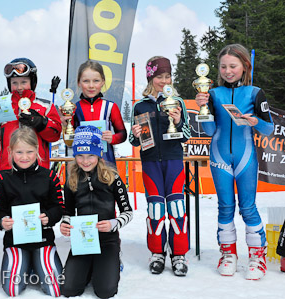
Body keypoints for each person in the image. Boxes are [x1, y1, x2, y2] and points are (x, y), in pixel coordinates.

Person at [194, 44, 274, 280]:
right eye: (223, 66)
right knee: (225, 207)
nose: (228, 71)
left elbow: (268, 129)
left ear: (244, 66)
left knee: (248, 207)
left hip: (245, 156)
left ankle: (257, 257)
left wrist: (254, 122)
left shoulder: (255, 92)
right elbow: (209, 130)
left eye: (233, 66)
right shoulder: (213, 94)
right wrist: (202, 106)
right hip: (219, 156)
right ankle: (228, 254)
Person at [129, 56, 191, 276]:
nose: (164, 81)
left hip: (174, 161)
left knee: (176, 207)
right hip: (150, 163)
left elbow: (186, 136)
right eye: (159, 77)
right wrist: (136, 135)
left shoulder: (178, 102)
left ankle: (179, 254)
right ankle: (157, 253)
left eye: (167, 76)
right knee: (155, 208)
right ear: (150, 78)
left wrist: (180, 120)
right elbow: (133, 140)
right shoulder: (140, 105)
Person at [60, 125, 133, 298]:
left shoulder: (112, 177)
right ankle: (90, 266)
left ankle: (111, 260)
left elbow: (128, 212)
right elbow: (68, 211)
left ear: (99, 154)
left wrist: (113, 224)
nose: (85, 161)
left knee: (105, 291)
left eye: (91, 155)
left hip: (107, 241)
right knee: (69, 289)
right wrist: (65, 223)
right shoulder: (71, 180)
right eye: (80, 156)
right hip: (82, 241)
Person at [0, 126, 63, 297]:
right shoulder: (2, 180)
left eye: (29, 152)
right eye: (19, 152)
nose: (24, 157)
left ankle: (36, 264)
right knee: (12, 289)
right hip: (16, 242)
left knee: (55, 288)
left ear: (37, 150)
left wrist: (49, 217)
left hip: (43, 240)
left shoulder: (50, 177)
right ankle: (27, 265)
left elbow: (58, 207)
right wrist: (2, 221)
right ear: (10, 151)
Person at [0, 57, 62, 170]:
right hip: (9, 171)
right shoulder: (2, 106)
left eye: (24, 82)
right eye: (14, 83)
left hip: (38, 171)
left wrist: (41, 123)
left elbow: (55, 135)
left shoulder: (45, 106)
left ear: (33, 82)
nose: (19, 87)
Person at [70, 60, 127, 167]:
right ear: (79, 82)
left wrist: (112, 138)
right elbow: (68, 140)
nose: (91, 86)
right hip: (83, 163)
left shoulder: (110, 107)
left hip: (106, 162)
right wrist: (64, 124)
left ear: (103, 82)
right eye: (86, 81)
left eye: (96, 81)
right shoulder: (74, 108)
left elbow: (123, 135)